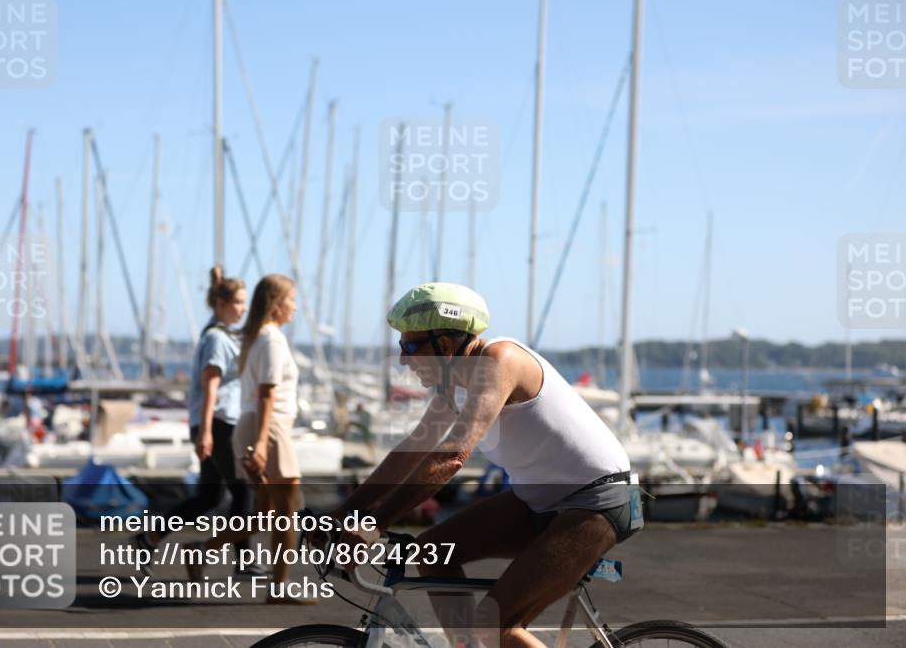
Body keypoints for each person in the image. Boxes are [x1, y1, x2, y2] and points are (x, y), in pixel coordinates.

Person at [330, 282, 638, 648]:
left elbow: (450, 458)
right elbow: (410, 453)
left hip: (596, 503)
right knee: (432, 552)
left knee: (495, 625)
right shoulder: (452, 385)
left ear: (445, 345)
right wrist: (340, 514)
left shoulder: (499, 361)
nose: (402, 359)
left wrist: (374, 522)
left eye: (410, 347)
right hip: (539, 501)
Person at [131, 267, 259, 576]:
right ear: (221, 303)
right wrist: (205, 432)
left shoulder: (222, 334)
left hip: (214, 423)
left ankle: (149, 538)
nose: (243, 308)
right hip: (217, 423)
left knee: (209, 496)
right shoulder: (216, 338)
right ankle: (243, 561)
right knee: (243, 491)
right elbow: (210, 385)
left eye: (244, 302)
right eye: (239, 302)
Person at [193, 274, 309, 604]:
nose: (295, 307)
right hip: (268, 426)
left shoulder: (255, 337)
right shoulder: (271, 339)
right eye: (292, 299)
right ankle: (279, 589)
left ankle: (202, 551)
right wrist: (260, 444)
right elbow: (266, 394)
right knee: (287, 510)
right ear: (276, 303)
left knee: (268, 515)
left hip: (255, 424)